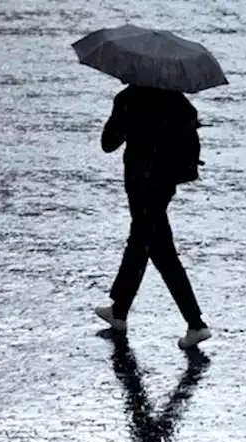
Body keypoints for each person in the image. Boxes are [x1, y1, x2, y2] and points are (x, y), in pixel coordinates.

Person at [95, 83, 212, 349]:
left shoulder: (128, 97)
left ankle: (195, 323)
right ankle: (120, 311)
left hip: (139, 183)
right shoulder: (178, 100)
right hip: (164, 184)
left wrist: (120, 119)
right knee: (148, 245)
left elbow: (108, 143)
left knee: (155, 250)